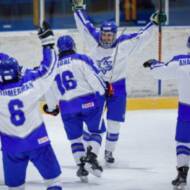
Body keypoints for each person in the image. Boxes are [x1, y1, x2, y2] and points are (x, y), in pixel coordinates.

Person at [71, 0, 167, 164]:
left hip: (118, 87)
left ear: (114, 35)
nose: (106, 38)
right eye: (104, 34)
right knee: (93, 122)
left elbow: (141, 37)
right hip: (97, 87)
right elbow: (84, 25)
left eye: (109, 35)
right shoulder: (93, 39)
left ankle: (109, 152)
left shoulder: (124, 43)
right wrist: (78, 9)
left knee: (114, 122)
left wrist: (153, 22)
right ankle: (90, 150)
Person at [0, 22, 62, 190]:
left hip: (11, 148)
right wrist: (47, 43)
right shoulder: (31, 83)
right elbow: (49, 68)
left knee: (15, 187)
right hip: (38, 142)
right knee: (54, 181)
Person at [43, 35, 106, 182]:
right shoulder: (81, 59)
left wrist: (52, 107)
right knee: (97, 131)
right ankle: (91, 157)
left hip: (67, 107)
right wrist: (103, 91)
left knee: (75, 139)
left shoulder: (53, 67)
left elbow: (49, 90)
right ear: (73, 46)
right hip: (88, 102)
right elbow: (95, 79)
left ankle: (81, 167)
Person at [143, 36, 190, 189]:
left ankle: (182, 175)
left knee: (183, 141)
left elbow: (160, 73)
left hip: (186, 109)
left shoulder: (180, 61)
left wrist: (153, 63)